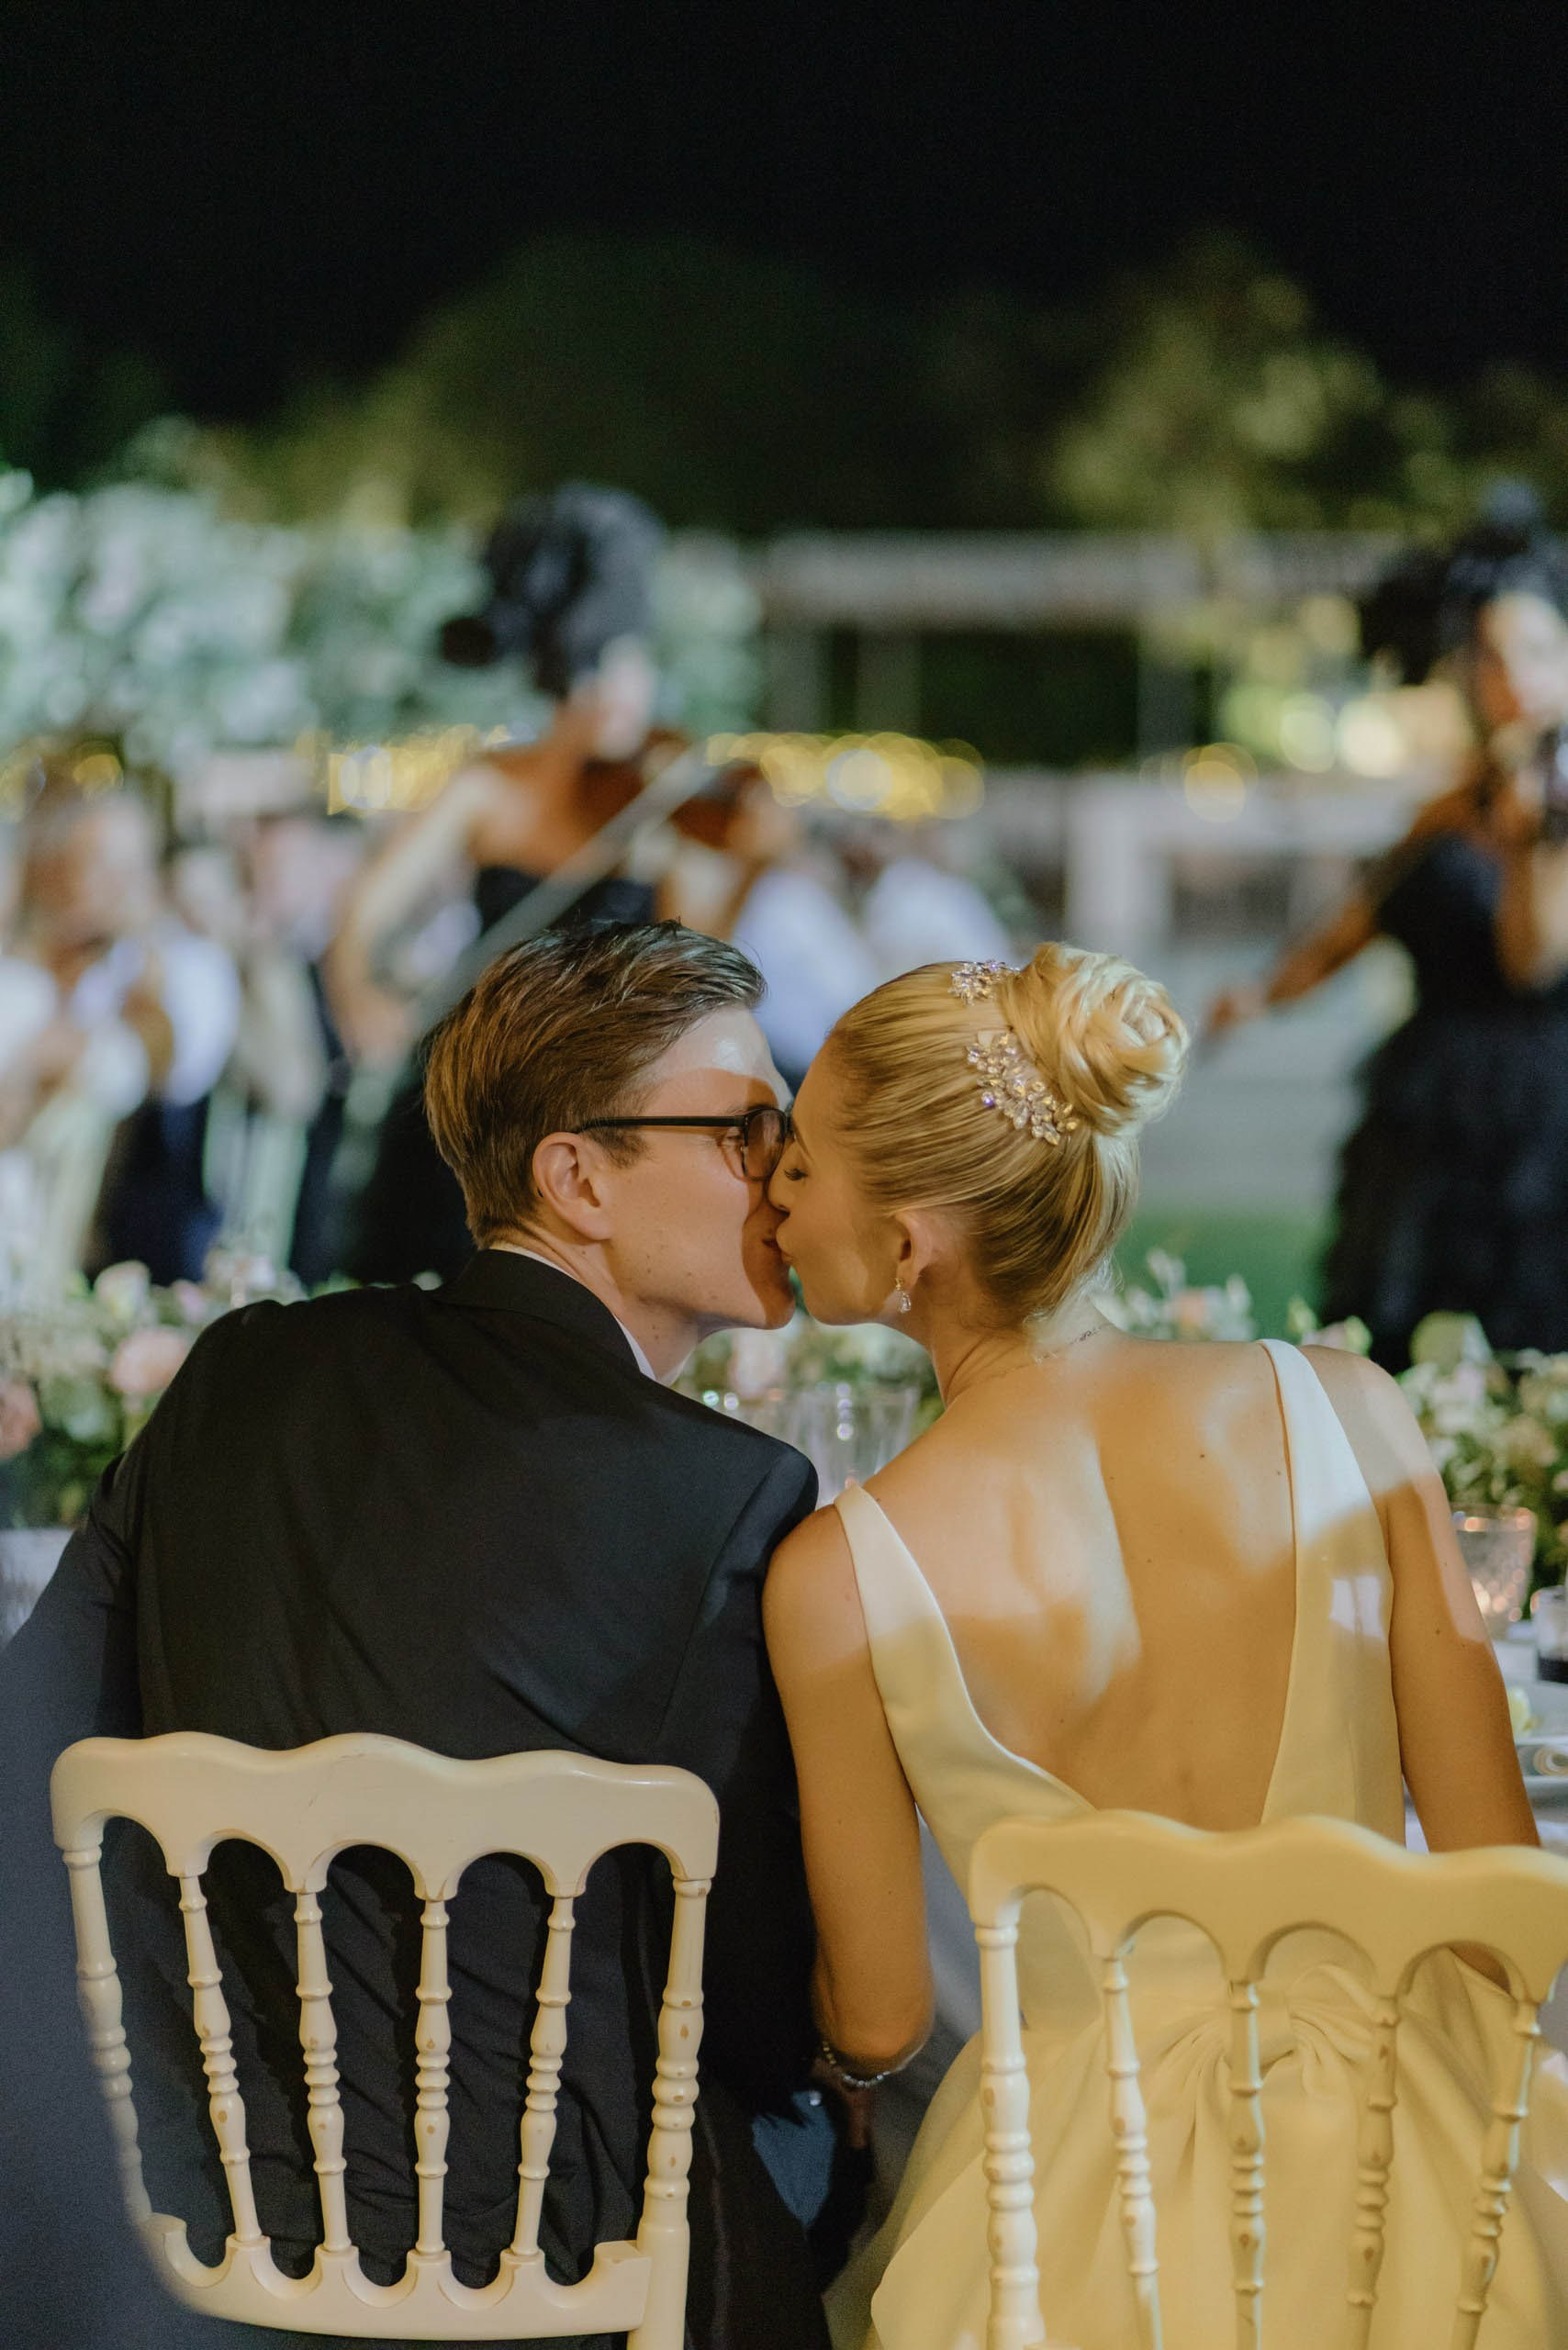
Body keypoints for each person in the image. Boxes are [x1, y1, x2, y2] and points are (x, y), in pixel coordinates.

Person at [1, 921, 833, 2350]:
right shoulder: (725, 1495)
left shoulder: (241, 1370)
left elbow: (34, 1738)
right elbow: (754, 2001)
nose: (787, 1169)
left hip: (195, 2209)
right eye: (745, 1129)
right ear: (576, 1176)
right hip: (551, 2245)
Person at [762, 944, 1568, 2349]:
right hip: (1406, 2180)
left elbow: (883, 2019)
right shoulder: (1351, 1411)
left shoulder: (839, 1574)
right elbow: (1499, 1884)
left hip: (1075, 2210)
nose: (771, 1194)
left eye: (800, 1164)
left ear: (910, 1242)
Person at [1206, 498, 1568, 1364]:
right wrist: (1256, 995)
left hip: (1545, 1116)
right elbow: (1357, 924)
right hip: (1429, 1109)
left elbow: (1532, 963)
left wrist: (1533, 838)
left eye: (1534, 652)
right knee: (1396, 1329)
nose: (1510, 678)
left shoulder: (1549, 811)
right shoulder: (1448, 805)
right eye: (1487, 656)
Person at [330, 485, 671, 1284]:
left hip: (614, 1101)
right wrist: (360, 997)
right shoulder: (486, 785)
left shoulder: (659, 804)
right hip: (485, 1092)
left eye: (634, 664)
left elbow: (703, 952)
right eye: (600, 665)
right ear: (559, 673)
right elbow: (362, 911)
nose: (621, 690)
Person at [17, 783, 241, 1281]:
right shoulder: (32, 963)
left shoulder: (191, 965)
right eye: (98, 862)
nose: (118, 883)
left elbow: (167, 1068)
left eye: (132, 864)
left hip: (132, 1247)